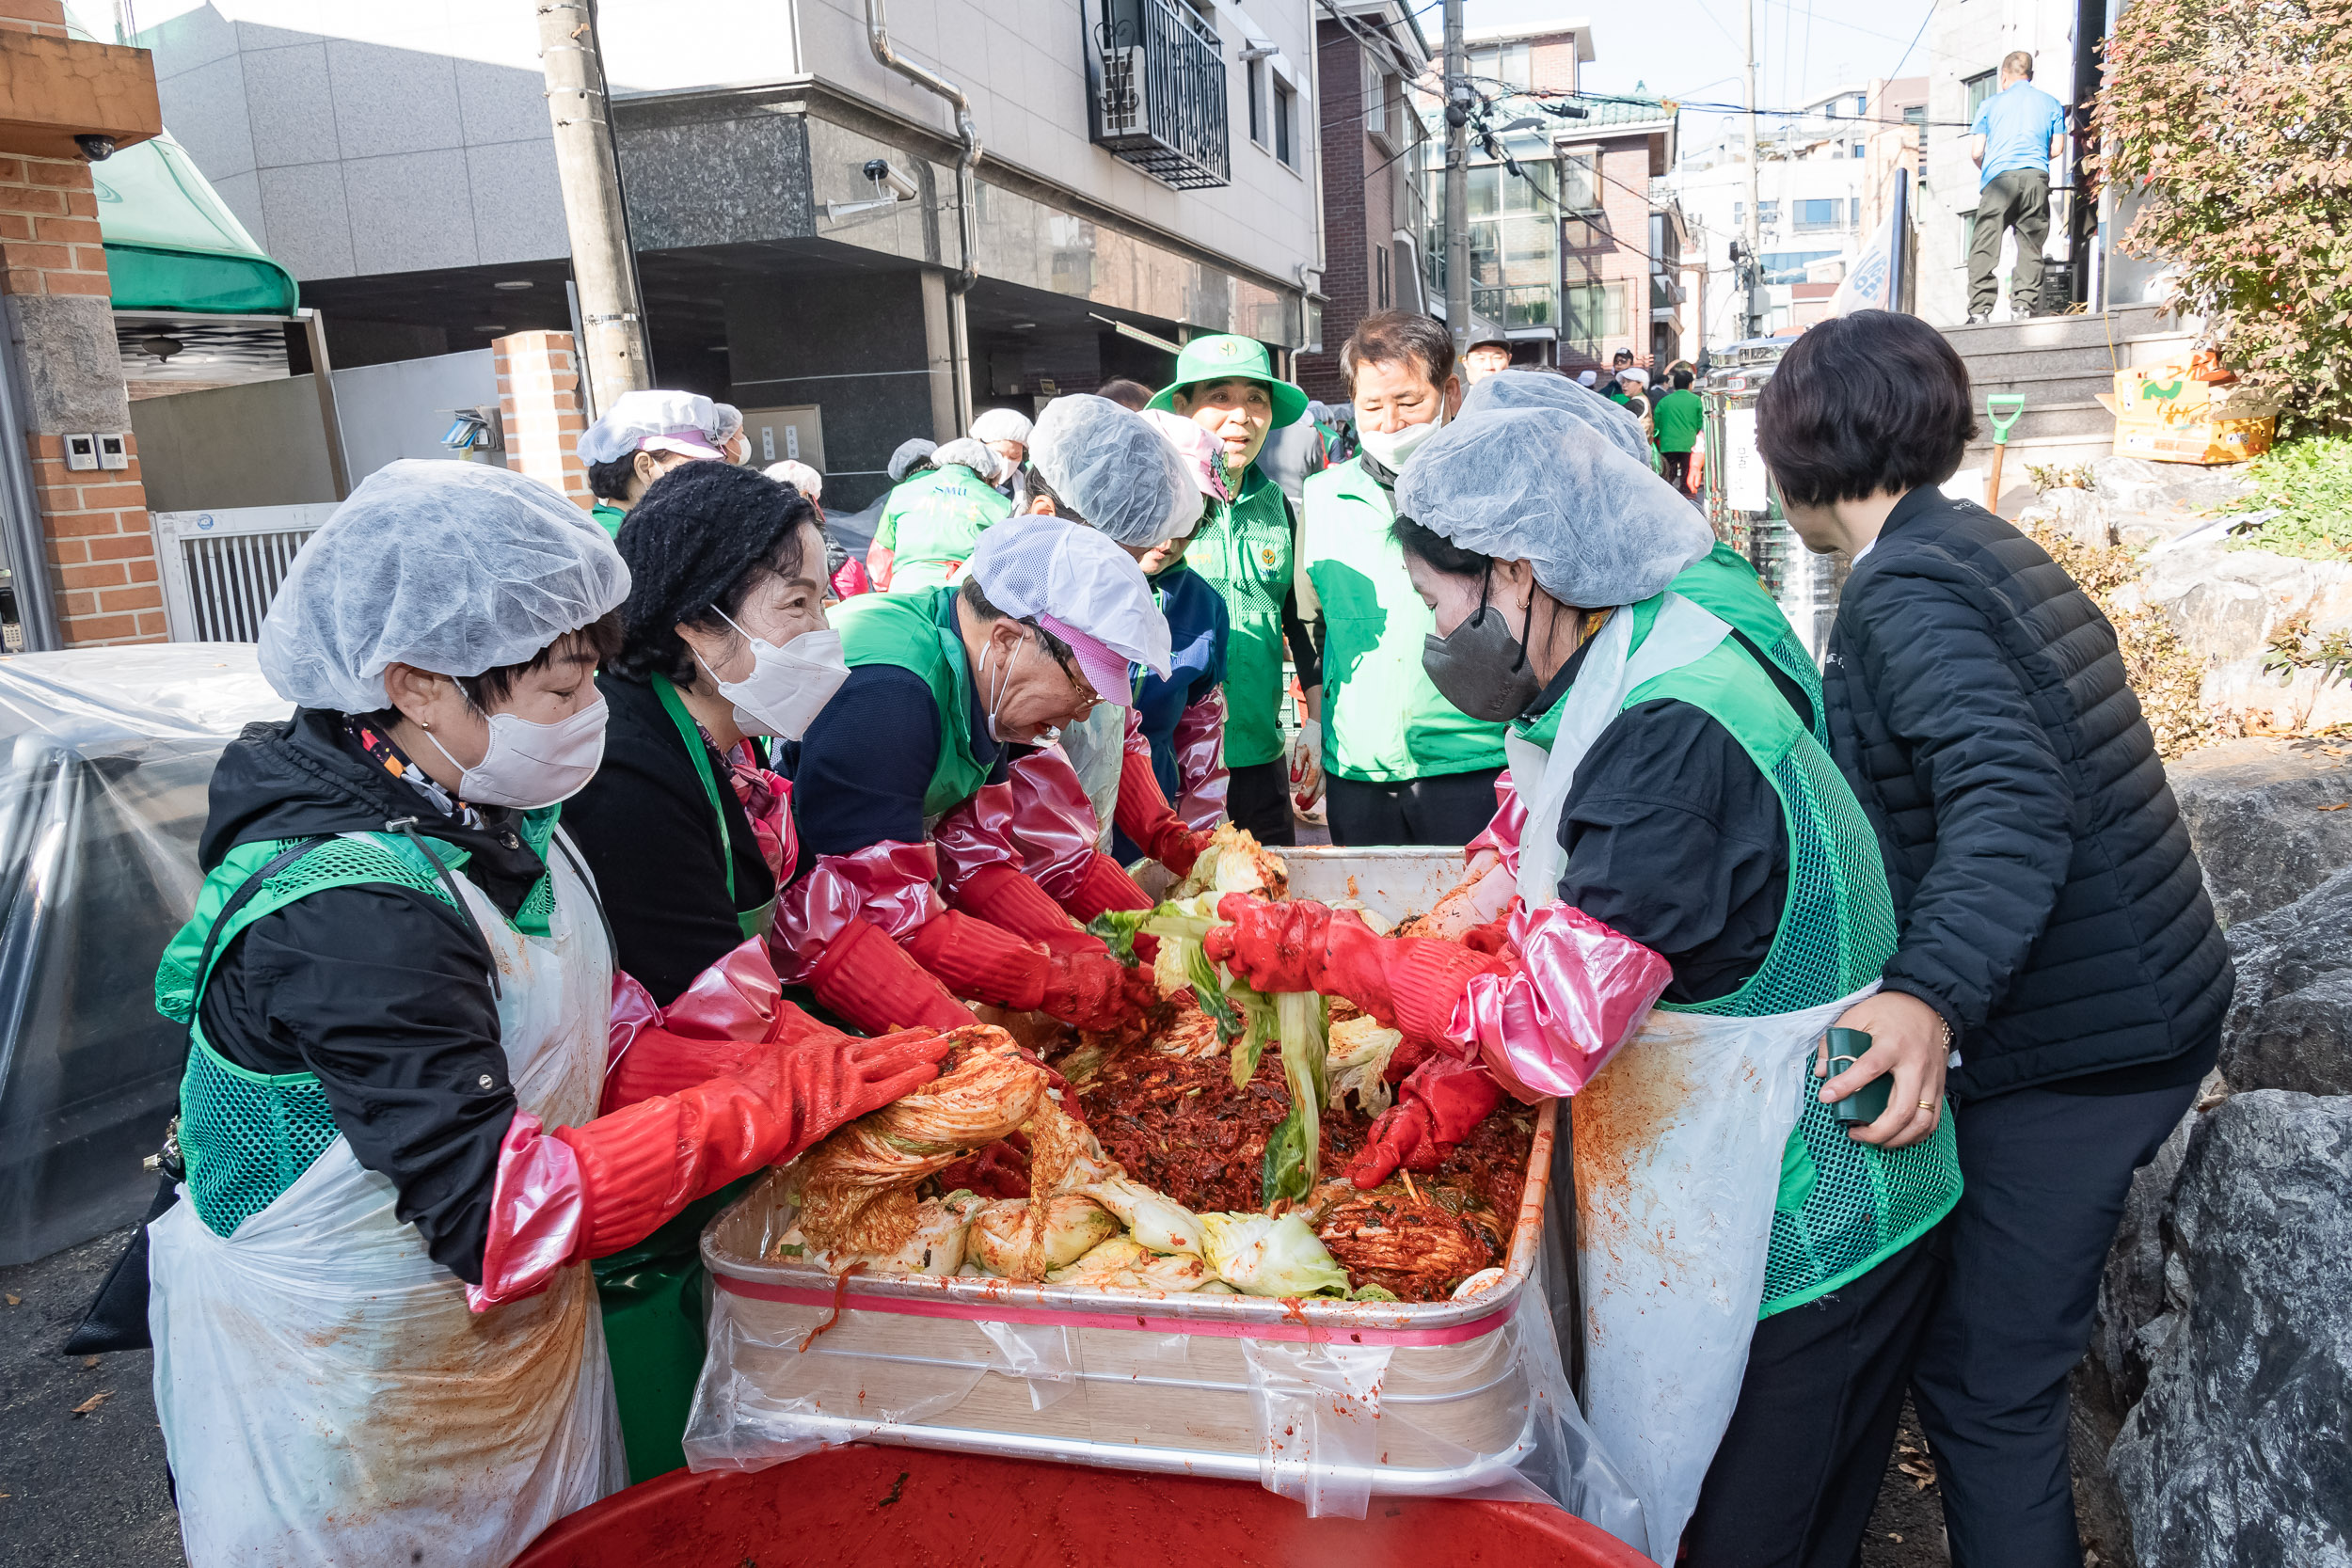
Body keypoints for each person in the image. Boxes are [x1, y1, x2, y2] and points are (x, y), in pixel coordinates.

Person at [145, 462, 949, 1565]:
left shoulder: (499, 804)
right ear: (419, 684)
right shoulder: (347, 909)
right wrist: (763, 1107)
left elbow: (600, 1027)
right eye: (561, 693)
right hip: (344, 1377)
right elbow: (497, 1209)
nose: (590, 720)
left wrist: (813, 1071)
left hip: (513, 1356)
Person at [1211, 399, 1963, 1563]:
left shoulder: (1667, 739)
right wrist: (1455, 1018)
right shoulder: (1634, 639)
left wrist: (1342, 957)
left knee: (1748, 1535)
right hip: (1741, 1143)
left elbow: (1552, 1031)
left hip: (1806, 1196)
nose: (1431, 631)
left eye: (1436, 602)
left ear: (1517, 572)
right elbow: (1545, 856)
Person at [1758, 309, 2232, 1568]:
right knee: (1981, 1356)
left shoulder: (1905, 590)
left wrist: (1928, 991)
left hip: (2086, 1045)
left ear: (1795, 458)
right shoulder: (1970, 543)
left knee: (1986, 1383)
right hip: (2131, 1002)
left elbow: (2014, 798)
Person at [776, 514, 1172, 1036]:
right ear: (1008, 639)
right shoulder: (890, 692)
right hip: (804, 949)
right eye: (1083, 687)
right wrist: (1045, 980)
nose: (1082, 713)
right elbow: (875, 907)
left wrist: (1088, 955)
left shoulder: (982, 681)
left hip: (864, 922)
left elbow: (976, 855)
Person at [1298, 311, 1507, 847]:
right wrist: (1317, 725)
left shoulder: (1491, 488)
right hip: (1359, 768)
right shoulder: (1322, 497)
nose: (1390, 424)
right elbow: (1321, 625)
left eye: (1409, 402)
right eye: (1372, 406)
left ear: (1450, 393)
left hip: (1471, 759)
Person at [1016, 393, 1218, 879]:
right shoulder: (993, 636)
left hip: (1087, 869)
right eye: (1116, 561)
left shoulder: (1091, 609)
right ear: (1046, 519)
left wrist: (1164, 832)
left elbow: (1117, 734)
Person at [1149, 334, 1322, 845]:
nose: (1240, 416)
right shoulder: (1152, 507)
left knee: (1270, 902)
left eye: (1255, 400)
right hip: (1168, 763)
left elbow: (1298, 620)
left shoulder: (1283, 507)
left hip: (1259, 759)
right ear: (1182, 408)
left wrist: (1315, 719)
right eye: (1219, 398)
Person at [1966, 51, 2068, 323]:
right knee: (2031, 244)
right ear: (2030, 75)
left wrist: (1989, 171)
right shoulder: (2051, 103)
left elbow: (1977, 151)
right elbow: (2057, 148)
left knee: (1985, 243)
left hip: (1998, 180)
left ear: (2003, 75)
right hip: (2036, 176)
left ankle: (1980, 309)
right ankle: (2022, 305)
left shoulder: (1989, 105)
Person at [867, 437, 1014, 594]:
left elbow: (881, 556)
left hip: (905, 590)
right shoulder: (998, 503)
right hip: (963, 594)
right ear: (988, 476)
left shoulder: (901, 492)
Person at [579, 390, 735, 537]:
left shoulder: (641, 527)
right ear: (644, 467)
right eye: (690, 468)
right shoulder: (621, 538)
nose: (700, 479)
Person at [1651, 367, 1705, 496]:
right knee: (1686, 477)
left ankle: (1667, 498)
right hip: (1688, 444)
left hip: (1667, 444)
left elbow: (1656, 423)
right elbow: (1699, 423)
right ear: (1690, 384)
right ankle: (1687, 498)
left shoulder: (1664, 401)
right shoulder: (1696, 400)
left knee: (1668, 476)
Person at [970, 406, 1034, 507]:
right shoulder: (966, 480)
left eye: (1014, 457)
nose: (1007, 463)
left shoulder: (1029, 481)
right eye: (998, 454)